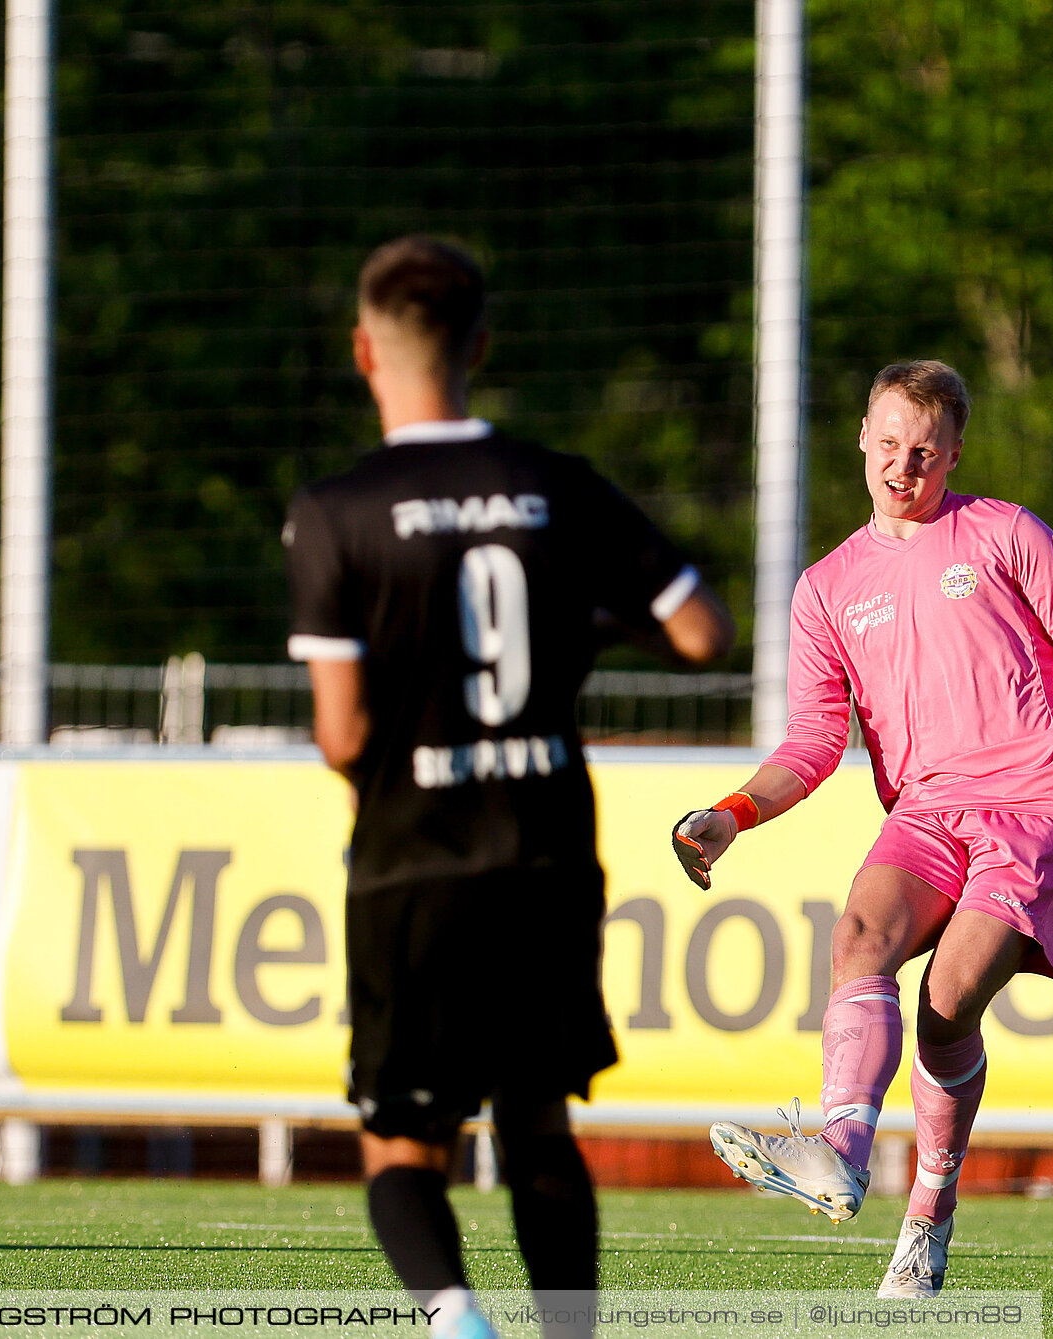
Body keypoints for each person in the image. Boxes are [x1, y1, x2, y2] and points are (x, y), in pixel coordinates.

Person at [671, 360, 1053, 1299]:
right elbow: (813, 741)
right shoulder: (828, 586)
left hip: (1041, 806)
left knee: (948, 999)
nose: (901, 466)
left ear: (953, 452)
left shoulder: (1003, 533)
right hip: (926, 810)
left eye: (923, 450)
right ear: (861, 441)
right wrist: (730, 814)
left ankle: (928, 1217)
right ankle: (838, 1149)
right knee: (857, 936)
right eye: (886, 445)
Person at [286, 235, 734, 1339]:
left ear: (362, 350)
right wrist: (575, 633)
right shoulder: (556, 486)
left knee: (402, 1141)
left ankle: (454, 1318)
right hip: (541, 852)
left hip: (411, 859)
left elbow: (341, 735)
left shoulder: (335, 511)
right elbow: (701, 630)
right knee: (537, 1124)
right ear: (481, 345)